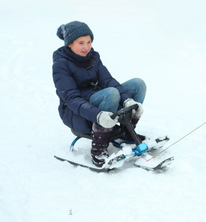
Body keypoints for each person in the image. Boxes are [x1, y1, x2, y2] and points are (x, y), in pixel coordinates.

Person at [52, 21, 147, 167]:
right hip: (76, 114)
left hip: (99, 99)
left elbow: (108, 80)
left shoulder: (93, 57)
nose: (86, 47)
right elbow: (71, 98)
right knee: (111, 94)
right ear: (69, 44)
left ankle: (127, 131)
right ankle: (98, 149)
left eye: (89, 42)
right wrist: (98, 115)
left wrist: (128, 101)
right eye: (81, 43)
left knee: (138, 84)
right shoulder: (61, 64)